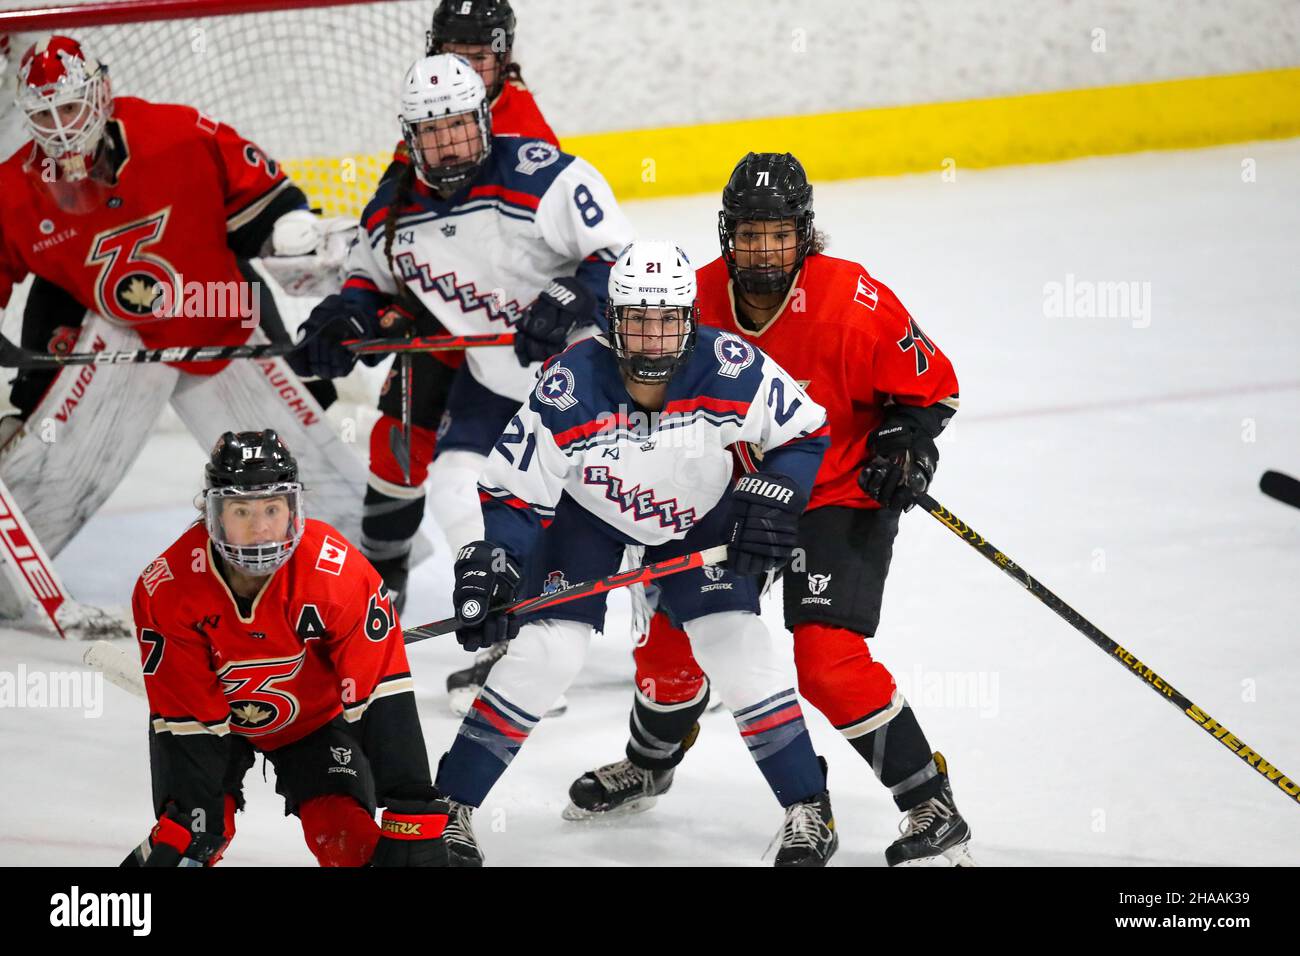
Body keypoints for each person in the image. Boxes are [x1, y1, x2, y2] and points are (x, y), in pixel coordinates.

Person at [566, 153, 976, 867]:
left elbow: (934, 389)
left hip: (837, 491)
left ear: (803, 234)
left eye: (779, 234)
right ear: (728, 233)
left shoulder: (853, 301)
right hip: (734, 496)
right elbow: (626, 352)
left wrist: (907, 443)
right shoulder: (694, 296)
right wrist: (570, 321)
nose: (763, 250)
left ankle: (930, 805)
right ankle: (649, 764)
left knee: (827, 663)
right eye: (750, 234)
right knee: (669, 647)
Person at [431, 239, 838, 867]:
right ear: (613, 320)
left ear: (690, 320)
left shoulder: (734, 367)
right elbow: (515, 494)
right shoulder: (567, 384)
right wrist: (496, 566)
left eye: (669, 321)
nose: (654, 338)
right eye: (638, 321)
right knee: (545, 653)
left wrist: (776, 501)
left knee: (736, 644)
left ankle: (808, 807)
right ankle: (449, 809)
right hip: (588, 517)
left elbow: (805, 430)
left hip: (697, 517)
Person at [0, 36, 368, 620]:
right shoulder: (14, 188)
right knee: (50, 470)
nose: (61, 127)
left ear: (100, 94)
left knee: (307, 472)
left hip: (217, 317)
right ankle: (4, 584)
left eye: (69, 107)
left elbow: (264, 198)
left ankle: (370, 572)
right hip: (116, 337)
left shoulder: (176, 134)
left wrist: (291, 229)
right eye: (43, 114)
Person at [290, 53, 631, 619]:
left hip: (586, 372)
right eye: (431, 130)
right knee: (455, 482)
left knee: (619, 495)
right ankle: (498, 607)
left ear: (483, 121)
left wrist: (571, 297)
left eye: (457, 124)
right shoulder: (392, 214)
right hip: (492, 380)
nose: (447, 143)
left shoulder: (544, 176)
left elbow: (619, 257)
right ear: (410, 136)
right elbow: (367, 288)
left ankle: (664, 608)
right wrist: (344, 321)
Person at [125, 430, 447, 867]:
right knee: (191, 841)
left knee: (349, 837)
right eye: (242, 511)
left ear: (294, 509)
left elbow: (381, 694)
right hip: (216, 727)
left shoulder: (338, 573)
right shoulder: (168, 588)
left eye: (272, 509)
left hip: (314, 722)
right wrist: (186, 829)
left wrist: (413, 811)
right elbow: (191, 721)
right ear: (213, 515)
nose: (260, 529)